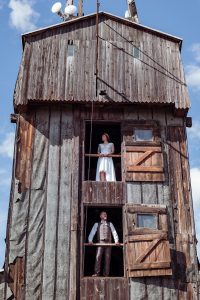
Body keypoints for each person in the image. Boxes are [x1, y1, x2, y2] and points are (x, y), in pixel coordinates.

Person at [88, 211, 119, 277]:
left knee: (107, 258)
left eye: (106, 214)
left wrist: (116, 241)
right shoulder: (97, 224)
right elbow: (92, 232)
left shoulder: (110, 224)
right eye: (104, 214)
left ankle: (106, 274)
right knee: (98, 257)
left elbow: (114, 232)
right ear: (100, 216)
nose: (105, 215)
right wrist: (90, 240)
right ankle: (96, 273)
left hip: (108, 243)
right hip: (100, 242)